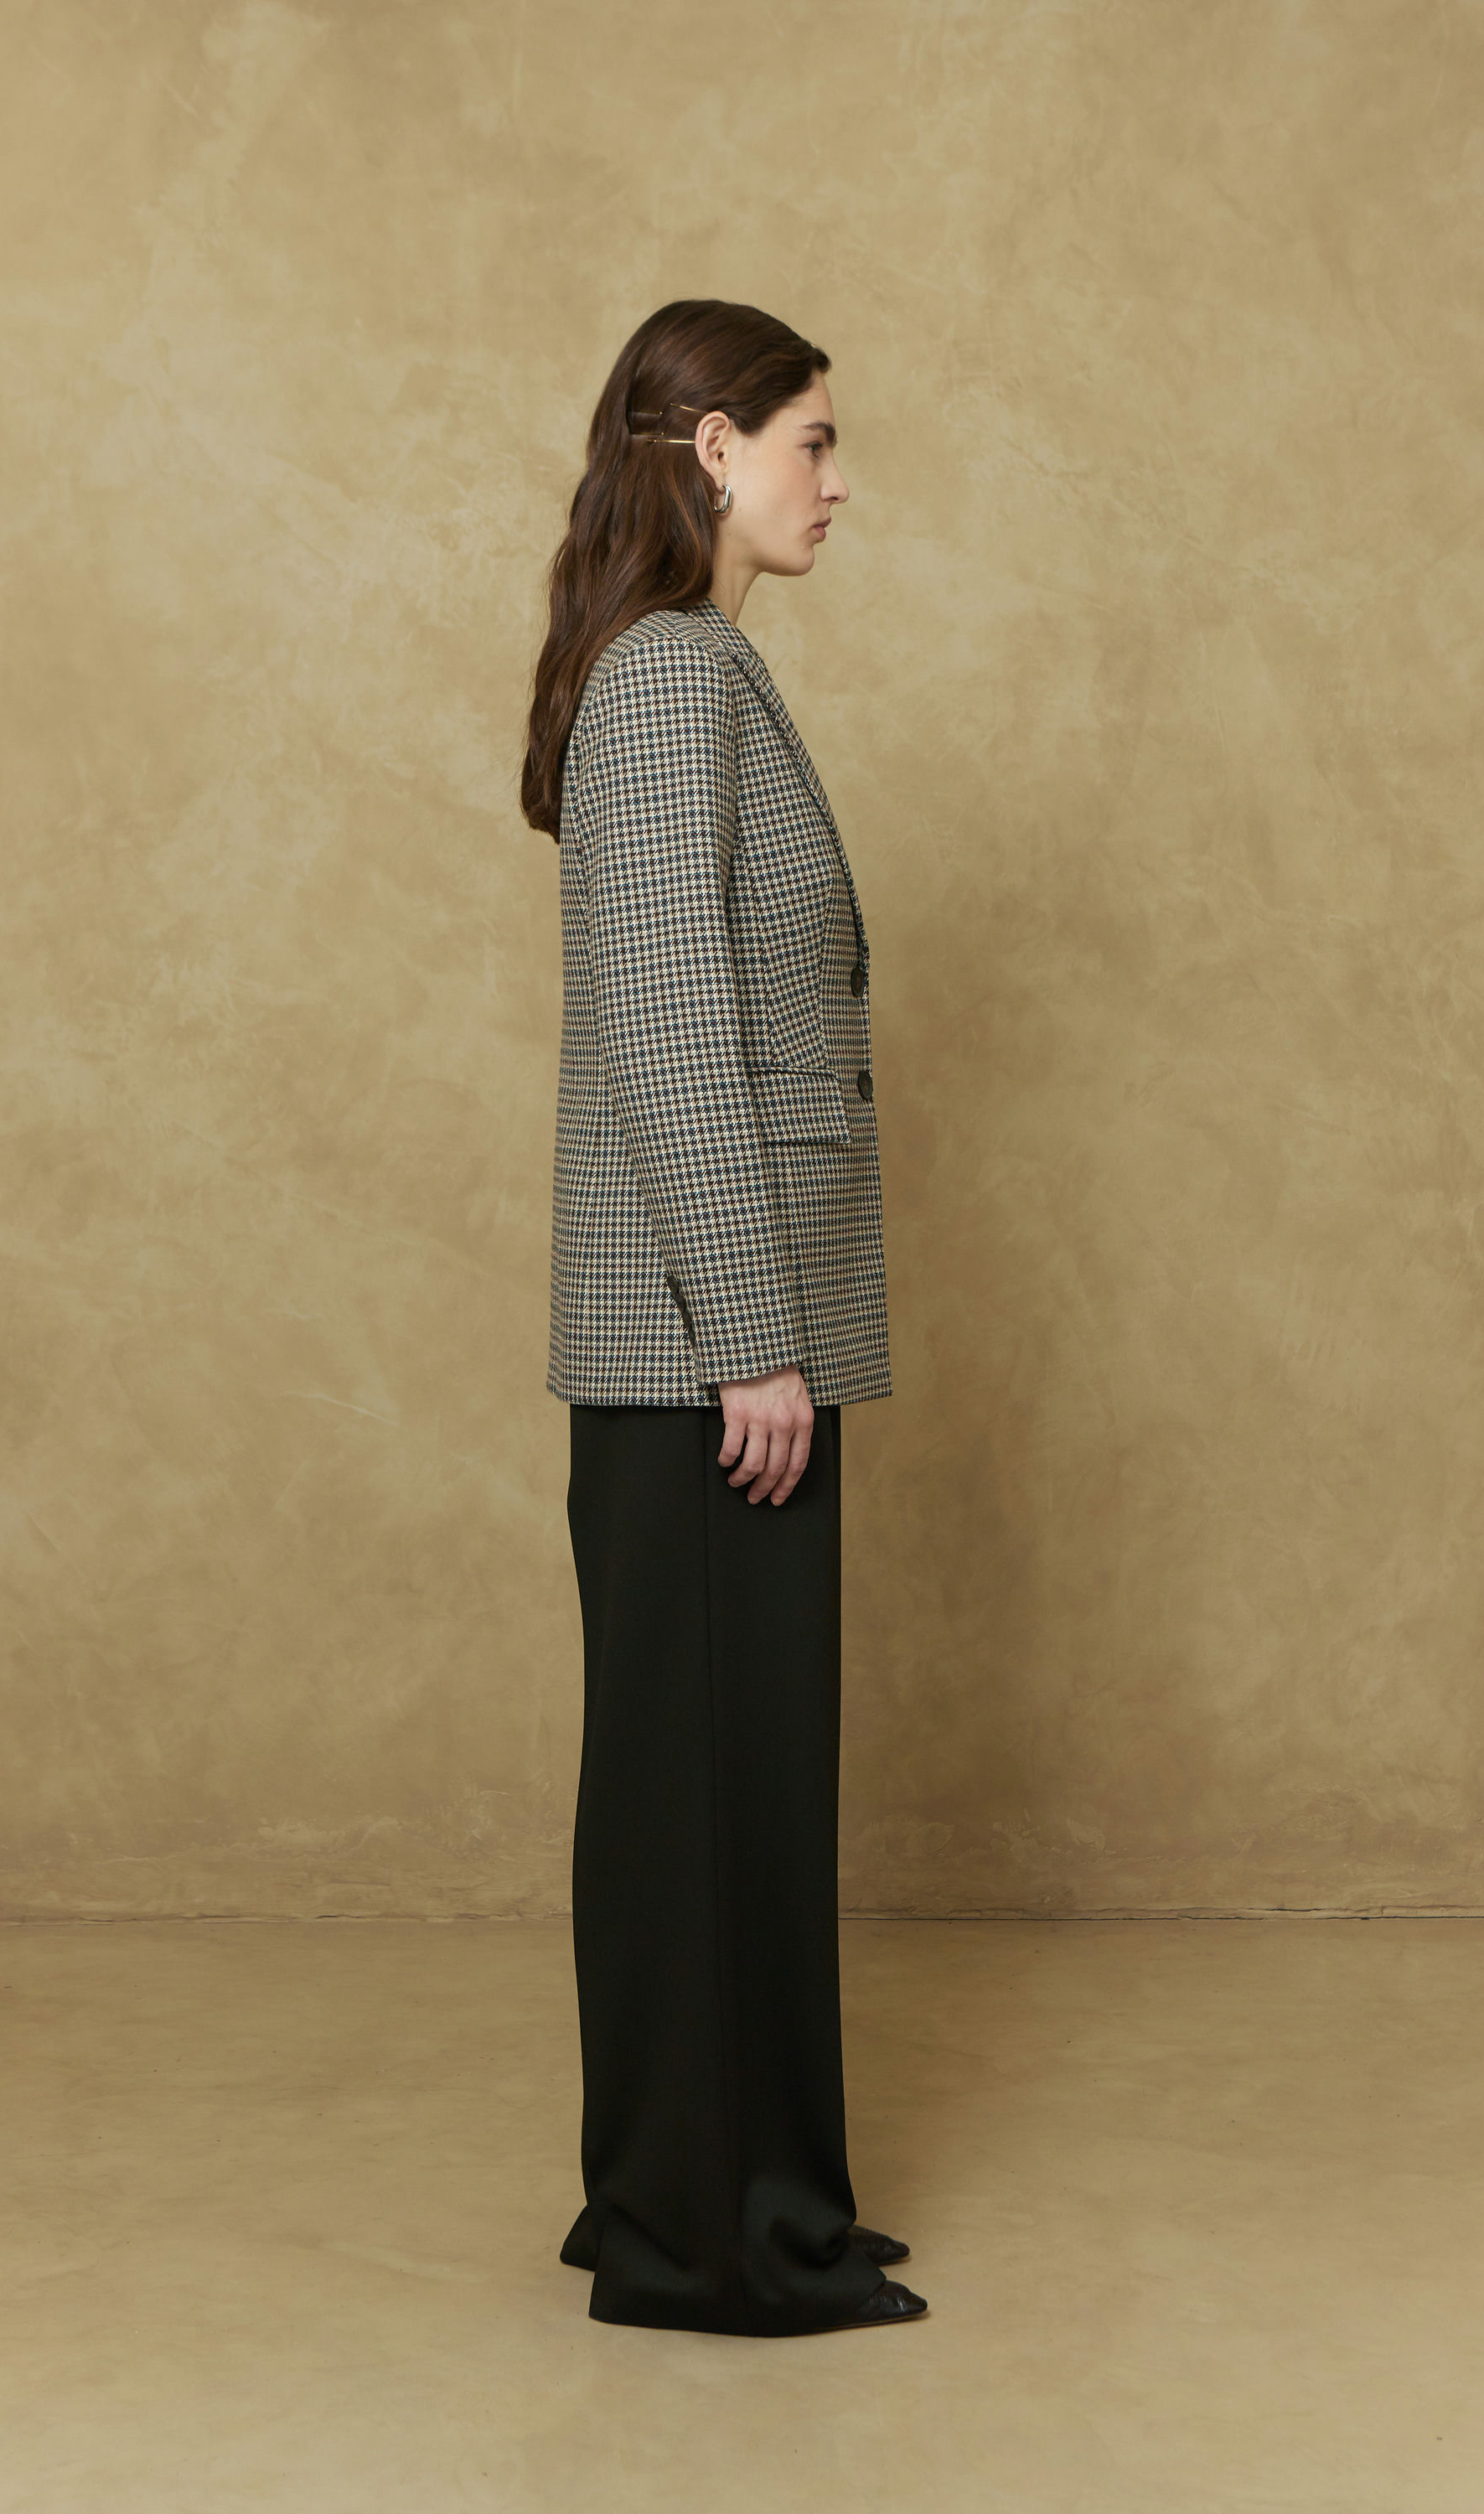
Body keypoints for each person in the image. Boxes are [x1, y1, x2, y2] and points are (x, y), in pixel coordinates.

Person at [520, 298, 926, 2337]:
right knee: (700, 1803)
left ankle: (730, 2198)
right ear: (710, 448)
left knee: (728, 1790)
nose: (837, 483)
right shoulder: (674, 678)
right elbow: (673, 1028)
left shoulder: (679, 671)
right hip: (707, 1357)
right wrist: (752, 1340)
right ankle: (709, 2240)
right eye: (813, 442)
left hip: (710, 1344)